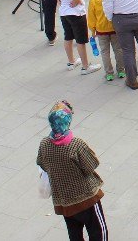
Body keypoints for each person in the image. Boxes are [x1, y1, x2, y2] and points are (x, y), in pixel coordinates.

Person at [36, 101, 108, 240]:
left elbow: (42, 164)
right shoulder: (76, 144)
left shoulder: (44, 144)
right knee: (98, 231)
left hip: (64, 200)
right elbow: (91, 166)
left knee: (74, 233)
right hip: (86, 198)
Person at [42, 0, 101, 75]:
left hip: (64, 13)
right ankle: (85, 67)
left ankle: (71, 61)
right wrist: (77, 0)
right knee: (81, 41)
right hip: (76, 14)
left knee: (68, 37)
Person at [87, 0, 123, 81]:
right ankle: (121, 70)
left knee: (105, 52)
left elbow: (91, 16)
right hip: (114, 28)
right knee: (118, 50)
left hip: (101, 30)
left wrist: (93, 30)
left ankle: (109, 73)